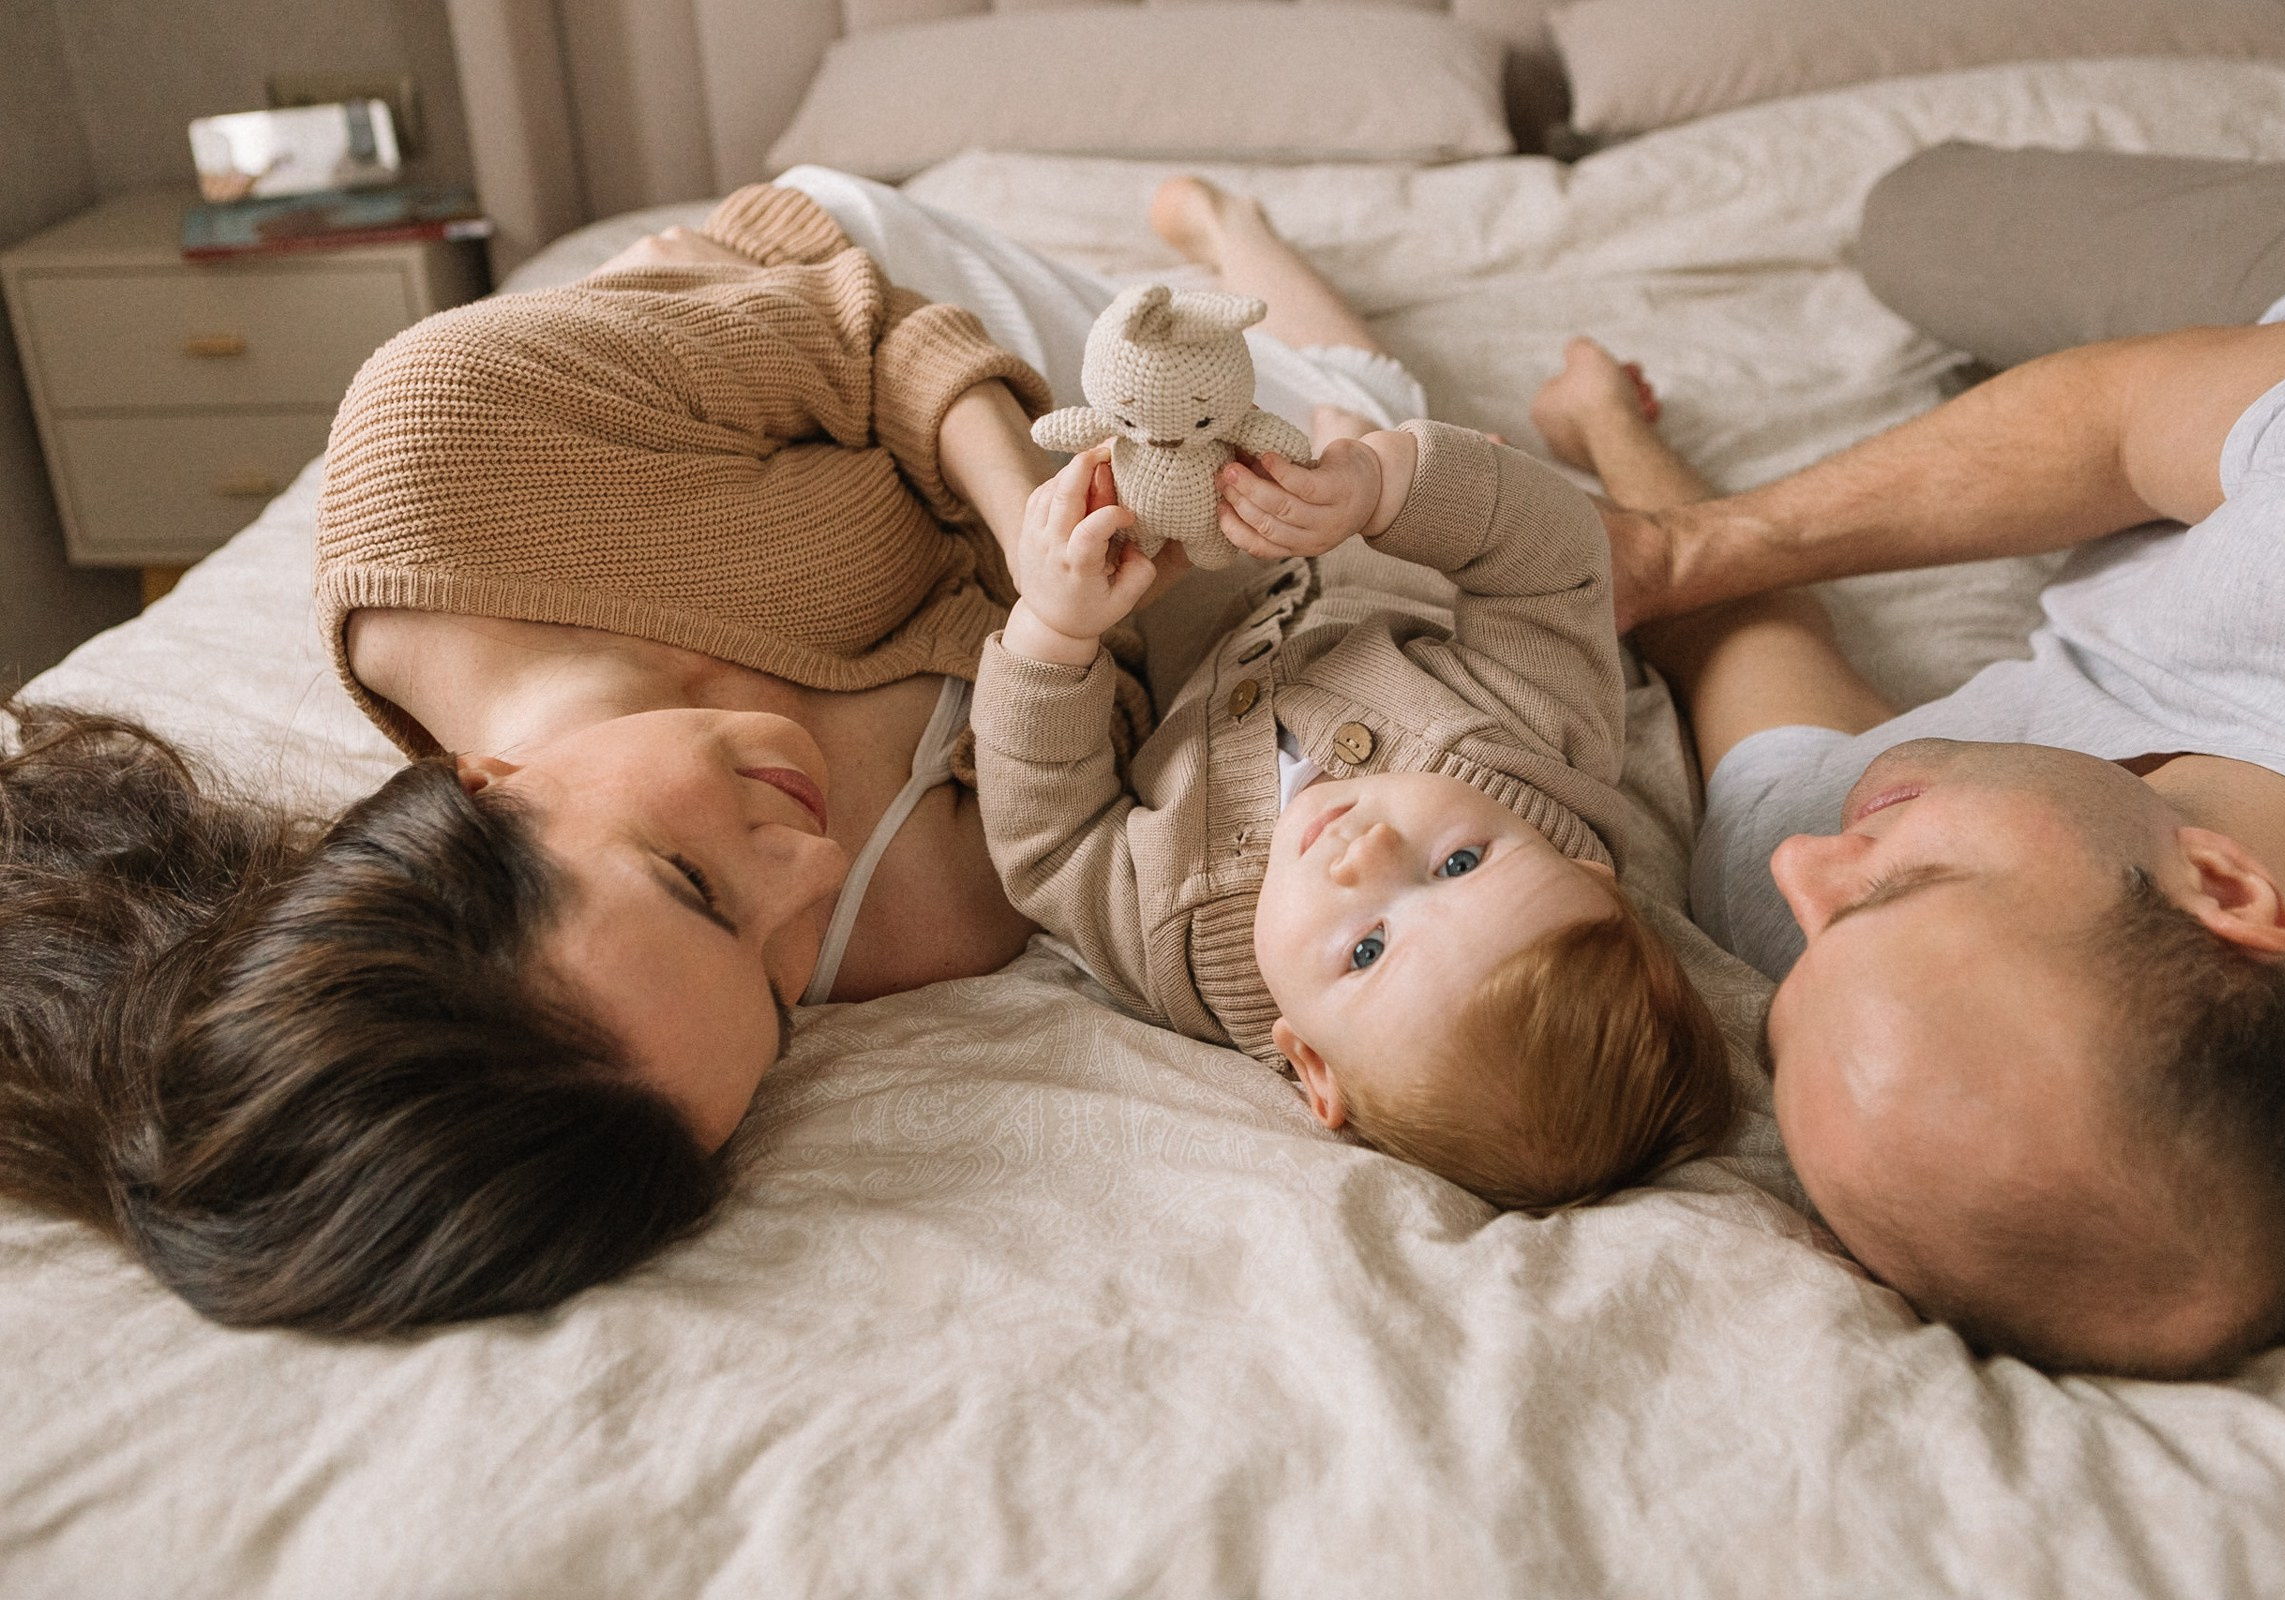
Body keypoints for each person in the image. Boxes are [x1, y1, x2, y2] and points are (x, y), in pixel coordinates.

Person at [0, 172, 1429, 1335]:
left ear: (475, 789)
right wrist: (1108, 599)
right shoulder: (900, 919)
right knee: (1380, 426)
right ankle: (1250, 248)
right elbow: (1132, 688)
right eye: (771, 982)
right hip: (1036, 523)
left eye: (690, 884)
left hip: (880, 314)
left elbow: (867, 335)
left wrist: (1031, 533)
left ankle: (1224, 231)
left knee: (1297, 408)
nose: (805, 871)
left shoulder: (440, 449)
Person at [1525, 147, 2285, 1378]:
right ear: (2226, 888)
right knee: (1915, 212)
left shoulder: (1845, 955)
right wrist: (1681, 549)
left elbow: (1745, 632)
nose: (1804, 866)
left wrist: (1611, 438)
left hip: (2272, 434)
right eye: (1901, 888)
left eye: (1811, 958)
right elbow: (2113, 425)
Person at [972, 391, 1730, 1209]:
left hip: (1176, 580)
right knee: (1348, 386)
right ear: (1583, 870)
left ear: (1312, 1066)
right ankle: (1512, 402)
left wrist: (1050, 631)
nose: (1366, 855)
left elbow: (1051, 839)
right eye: (1460, 862)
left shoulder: (1188, 948)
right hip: (1367, 529)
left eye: (1366, 950)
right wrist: (1384, 484)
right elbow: (1558, 564)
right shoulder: (1533, 743)